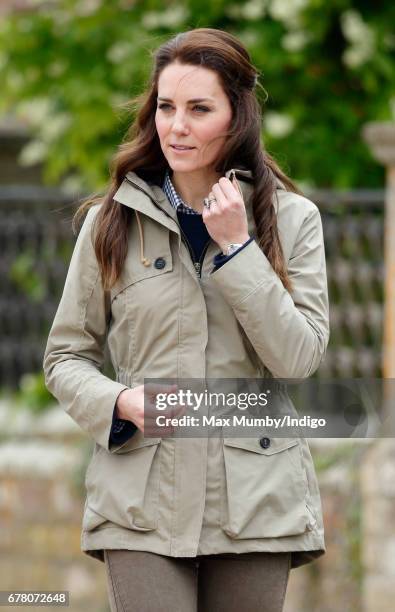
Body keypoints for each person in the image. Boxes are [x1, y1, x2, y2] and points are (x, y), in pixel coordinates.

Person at [43, 27, 330, 612]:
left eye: (199, 109)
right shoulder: (110, 222)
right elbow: (64, 357)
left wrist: (238, 250)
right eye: (166, 107)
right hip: (140, 498)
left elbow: (299, 358)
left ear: (237, 117)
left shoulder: (294, 220)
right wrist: (119, 402)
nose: (176, 126)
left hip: (254, 501)